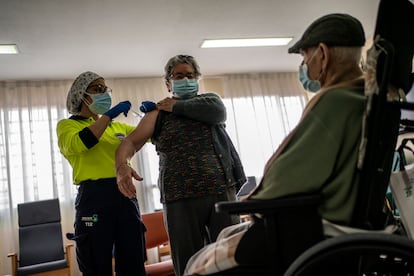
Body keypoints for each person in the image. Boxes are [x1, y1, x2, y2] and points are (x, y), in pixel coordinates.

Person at [183, 13, 369, 275]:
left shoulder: (335, 101)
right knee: (227, 231)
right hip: (335, 220)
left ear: (323, 54)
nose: (304, 65)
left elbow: (289, 177)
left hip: (313, 229)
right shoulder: (360, 98)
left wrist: (255, 199)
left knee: (198, 266)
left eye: (305, 57)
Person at [115, 54, 246, 276]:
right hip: (179, 197)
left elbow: (218, 111)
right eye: (178, 76)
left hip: (220, 191)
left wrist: (176, 105)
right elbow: (130, 141)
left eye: (190, 75)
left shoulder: (209, 103)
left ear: (197, 79)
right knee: (187, 265)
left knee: (229, 259)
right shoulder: (157, 114)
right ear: (168, 82)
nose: (185, 79)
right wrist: (121, 166)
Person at [56, 71, 146, 276]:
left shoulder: (118, 127)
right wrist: (108, 115)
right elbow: (82, 143)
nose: (104, 93)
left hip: (125, 195)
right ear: (81, 95)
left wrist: (153, 116)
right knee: (96, 263)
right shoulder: (67, 126)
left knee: (133, 262)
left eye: (105, 89)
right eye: (97, 89)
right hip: (93, 198)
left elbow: (146, 135)